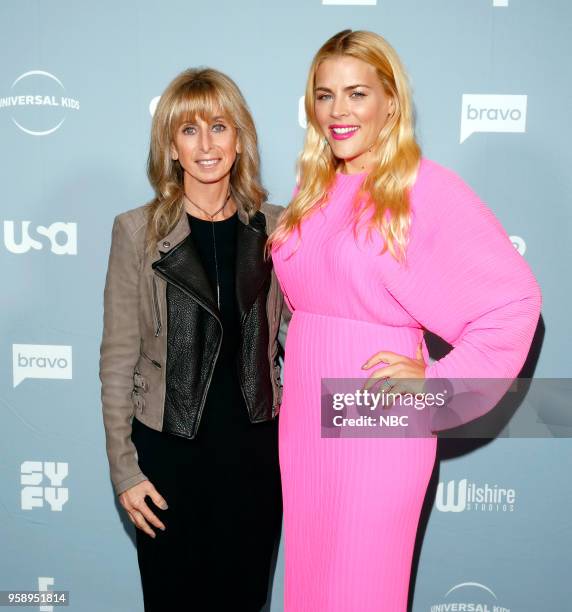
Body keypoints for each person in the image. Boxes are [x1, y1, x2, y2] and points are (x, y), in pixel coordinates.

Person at [268, 30, 542, 611]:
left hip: (378, 420)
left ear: (390, 101)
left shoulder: (424, 187)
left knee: (360, 589)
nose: (338, 112)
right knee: (312, 587)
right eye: (324, 95)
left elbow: (514, 302)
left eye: (356, 93)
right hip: (305, 421)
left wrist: (438, 384)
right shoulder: (311, 191)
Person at [99, 67, 286, 612]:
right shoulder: (137, 231)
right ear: (171, 148)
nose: (206, 144)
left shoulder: (276, 228)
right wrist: (125, 470)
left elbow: (301, 337)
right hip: (167, 456)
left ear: (239, 139)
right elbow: (117, 360)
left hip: (255, 456)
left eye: (219, 127)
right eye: (189, 130)